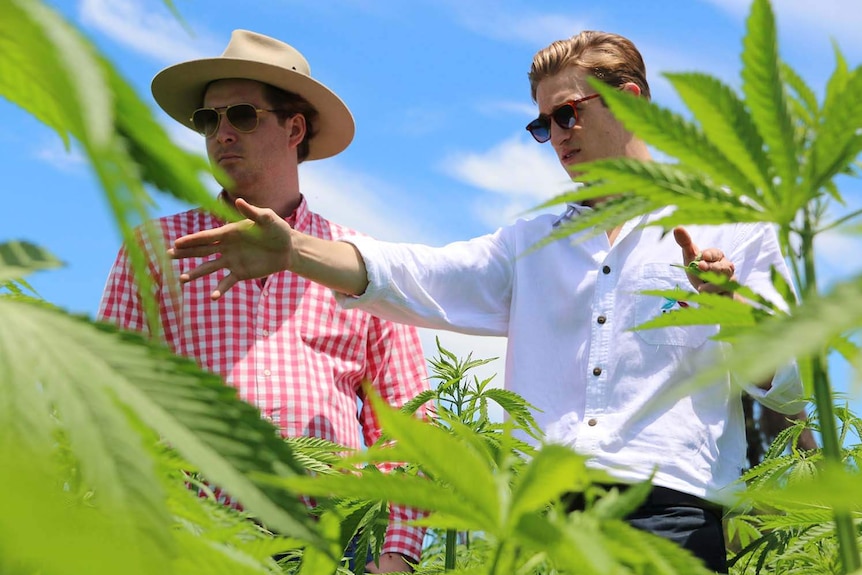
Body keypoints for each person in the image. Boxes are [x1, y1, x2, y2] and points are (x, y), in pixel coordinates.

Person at [167, 30, 807, 573]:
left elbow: (790, 393)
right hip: (537, 525)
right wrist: (294, 251)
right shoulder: (530, 244)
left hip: (669, 518)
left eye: (568, 114)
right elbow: (419, 275)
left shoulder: (734, 227)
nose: (556, 135)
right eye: (541, 124)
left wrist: (734, 309)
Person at [97, 30, 429, 574]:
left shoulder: (358, 262)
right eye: (210, 119)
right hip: (194, 538)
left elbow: (408, 423)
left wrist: (398, 555)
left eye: (243, 115)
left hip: (336, 541)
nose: (221, 133)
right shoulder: (156, 250)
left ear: (294, 127)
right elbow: (112, 396)